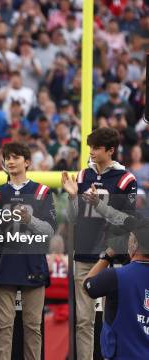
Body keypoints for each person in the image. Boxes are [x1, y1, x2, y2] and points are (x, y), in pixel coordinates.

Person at [61, 127, 137, 360]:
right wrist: (73, 197)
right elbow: (73, 218)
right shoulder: (83, 175)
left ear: (110, 150)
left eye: (96, 148)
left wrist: (99, 204)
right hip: (84, 253)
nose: (91, 152)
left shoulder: (126, 179)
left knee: (111, 318)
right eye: (90, 147)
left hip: (113, 256)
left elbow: (126, 221)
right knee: (83, 320)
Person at [0, 142, 56, 360]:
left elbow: (50, 232)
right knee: (3, 327)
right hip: (3, 263)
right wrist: (2, 221)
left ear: (27, 162)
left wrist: (30, 219)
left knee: (33, 327)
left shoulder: (42, 192)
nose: (10, 161)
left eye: (15, 157)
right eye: (7, 157)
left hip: (32, 262)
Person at [82, 225, 149, 359]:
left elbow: (87, 285)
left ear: (135, 245)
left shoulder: (115, 276)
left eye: (130, 238)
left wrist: (107, 256)